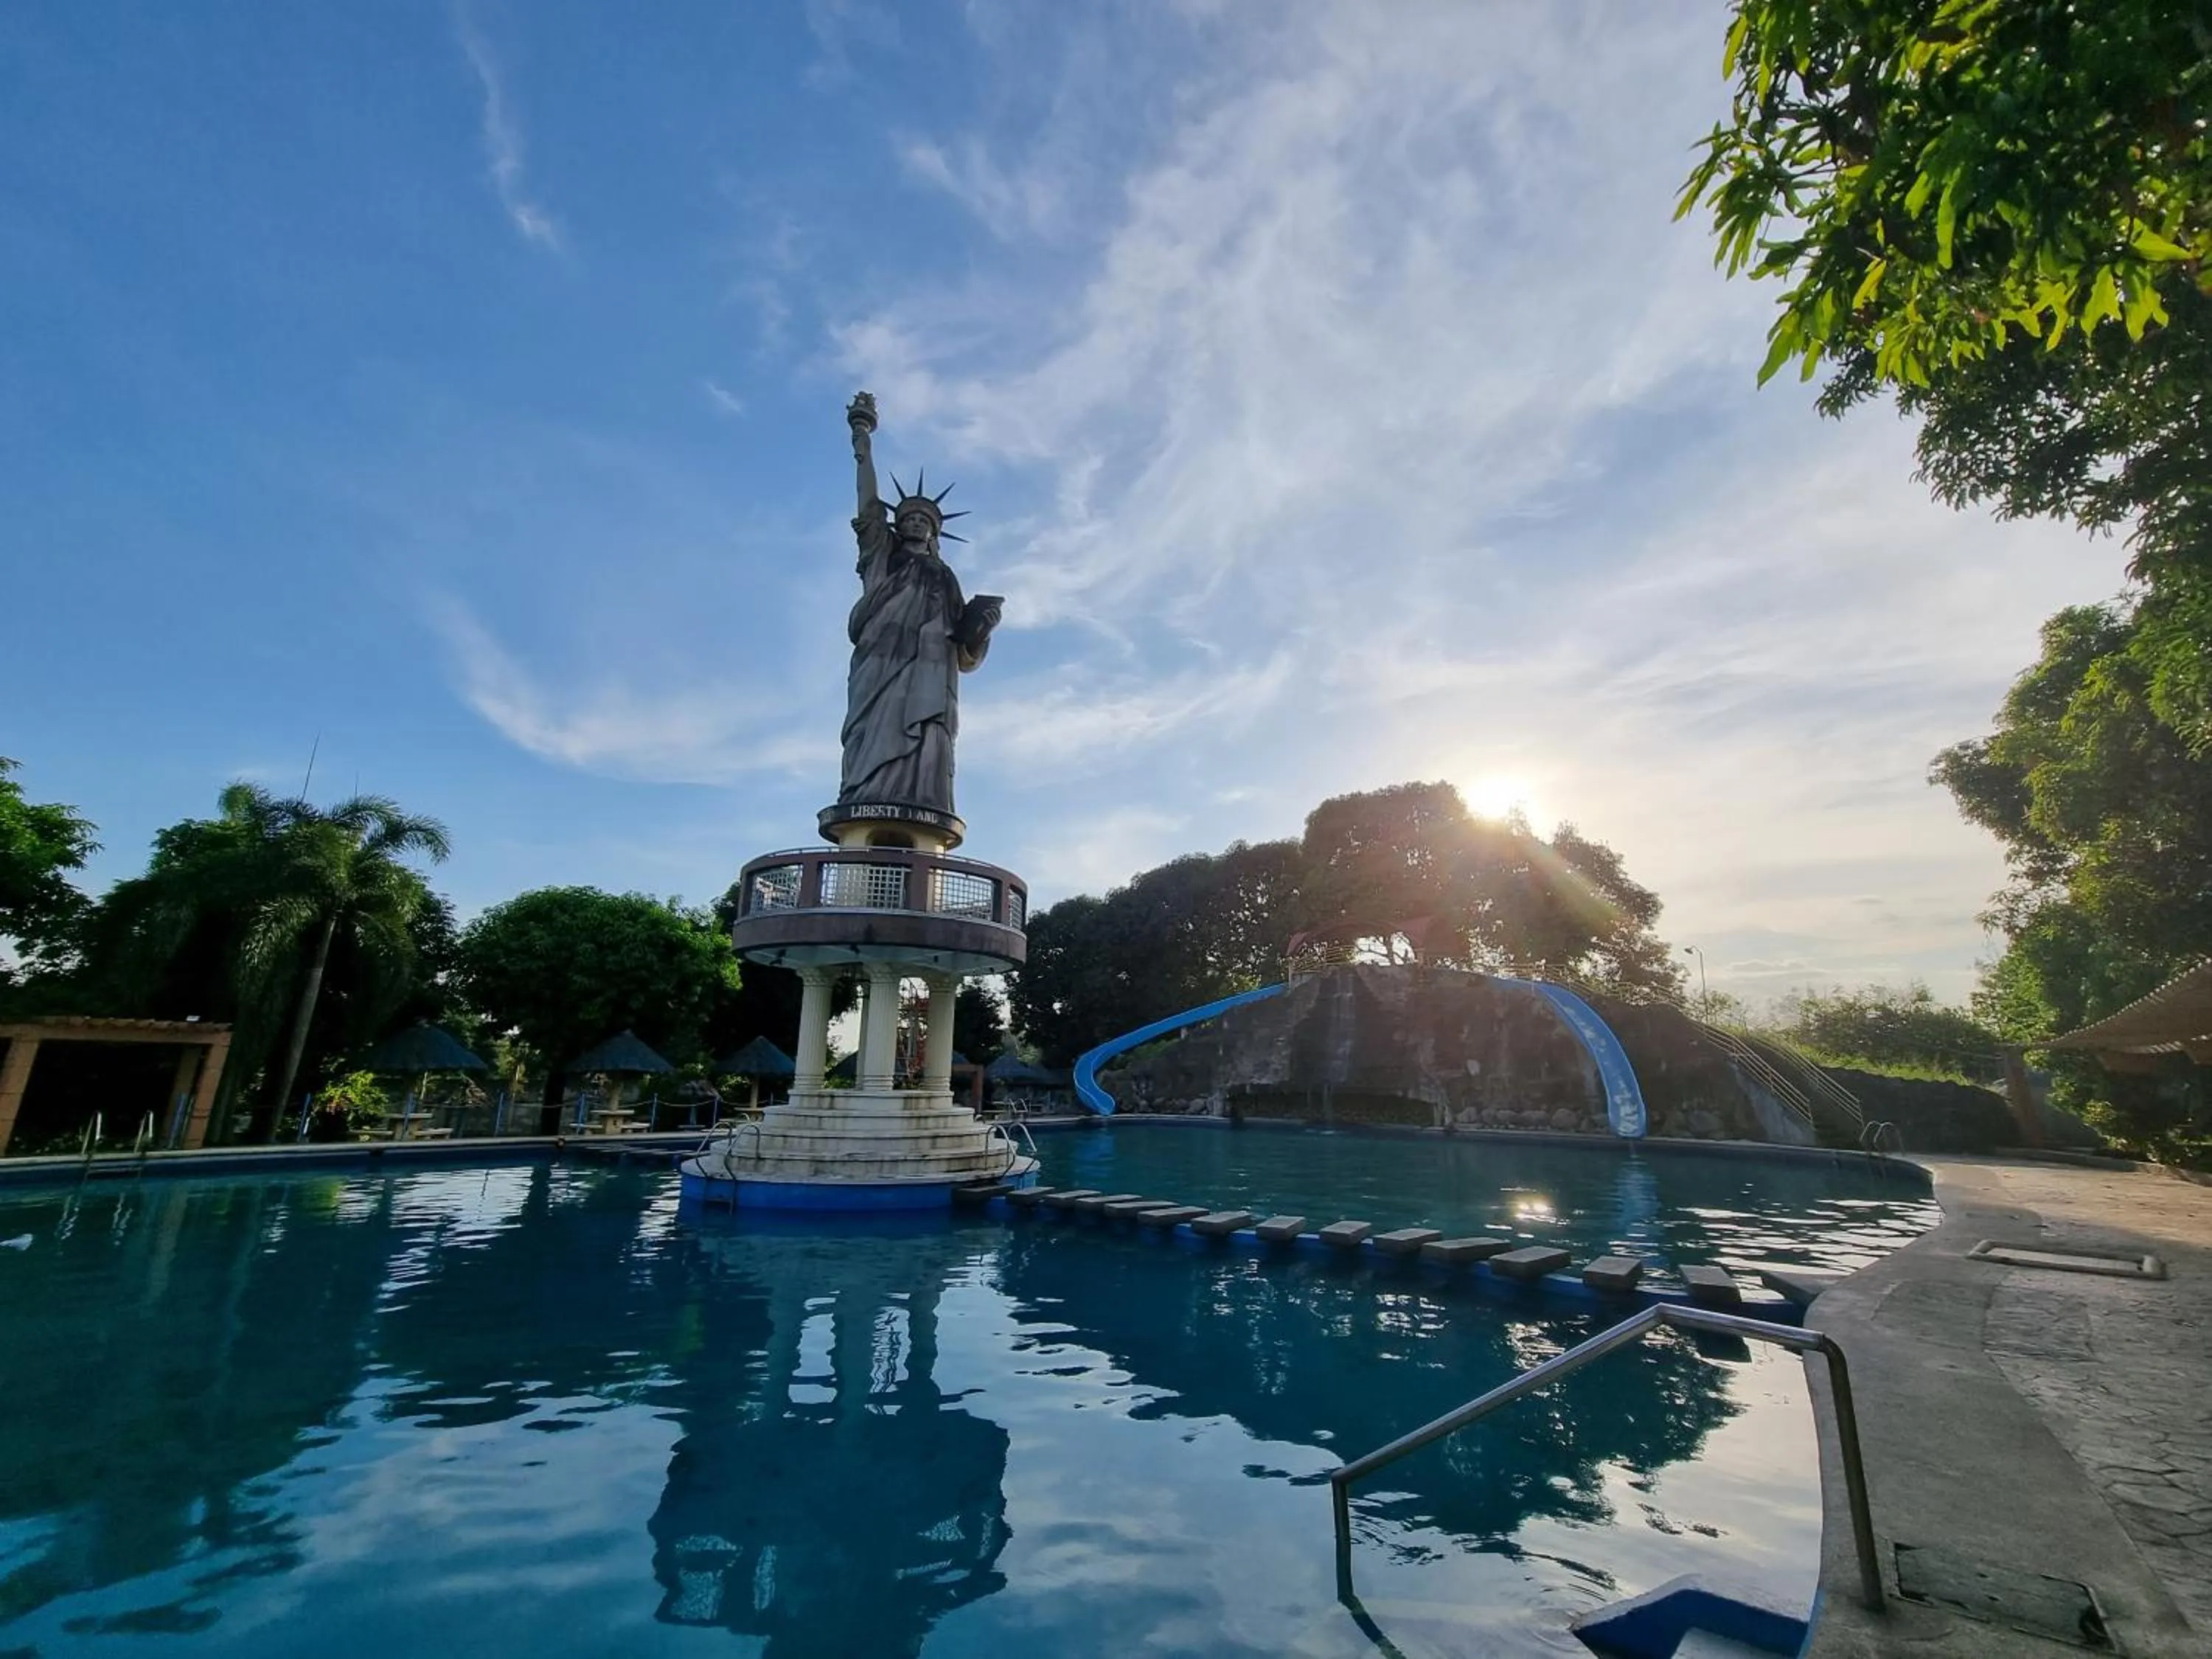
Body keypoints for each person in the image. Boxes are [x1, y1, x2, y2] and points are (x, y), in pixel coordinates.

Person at [838, 393, 1001, 815]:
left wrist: (980, 629)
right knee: (870, 731)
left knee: (931, 734)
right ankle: (866, 796)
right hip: (881, 661)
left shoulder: (943, 577)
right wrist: (863, 442)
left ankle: (923, 805)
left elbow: (962, 649)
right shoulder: (882, 558)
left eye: (924, 522)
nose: (914, 523)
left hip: (932, 674)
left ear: (934, 534)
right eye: (908, 518)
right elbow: (869, 505)